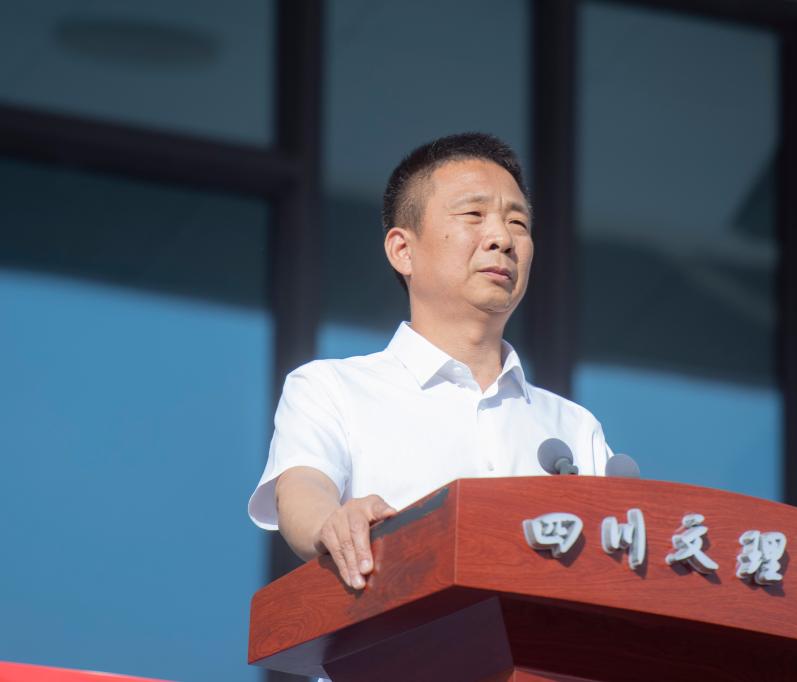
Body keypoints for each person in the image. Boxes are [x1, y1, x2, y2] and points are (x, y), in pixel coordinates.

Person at [247, 132, 613, 592]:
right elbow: (302, 488)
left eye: (518, 222)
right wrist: (332, 523)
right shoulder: (331, 388)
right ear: (403, 250)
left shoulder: (573, 428)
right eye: (474, 215)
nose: (502, 239)